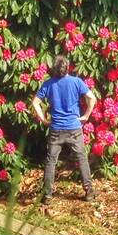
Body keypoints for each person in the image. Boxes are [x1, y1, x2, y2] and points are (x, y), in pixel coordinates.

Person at [32, 54, 97, 204]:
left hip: (56, 128)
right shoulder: (76, 82)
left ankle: (47, 195)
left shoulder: (48, 84)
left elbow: (35, 103)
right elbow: (92, 98)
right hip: (74, 127)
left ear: (54, 69)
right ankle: (89, 191)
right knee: (82, 158)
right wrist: (86, 115)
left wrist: (43, 120)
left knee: (51, 161)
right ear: (67, 67)